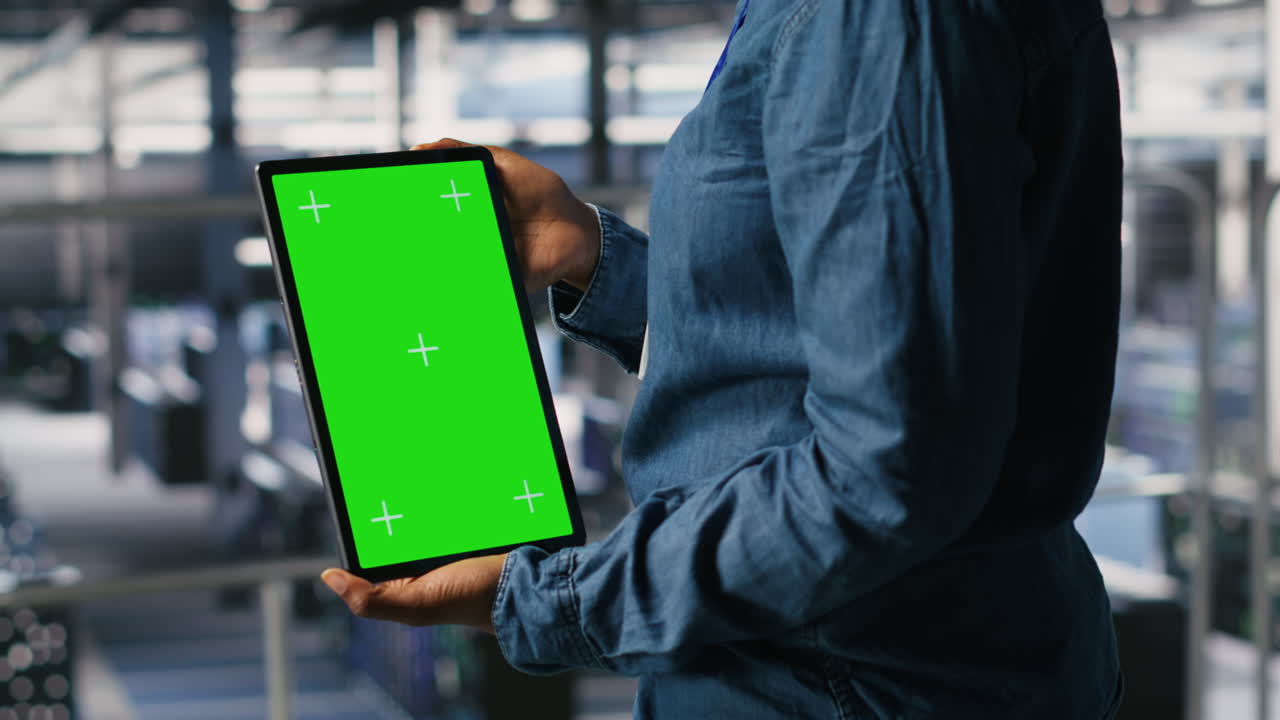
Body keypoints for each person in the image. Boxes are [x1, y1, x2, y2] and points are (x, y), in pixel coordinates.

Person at [320, 0, 1125, 716]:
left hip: (846, 675)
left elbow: (884, 471)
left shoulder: (871, 21)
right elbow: (872, 338)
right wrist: (592, 257)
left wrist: (553, 599)